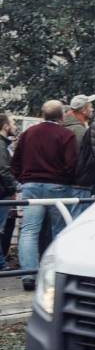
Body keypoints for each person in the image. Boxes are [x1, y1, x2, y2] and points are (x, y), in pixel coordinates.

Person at [11, 100, 78, 289]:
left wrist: (24, 179)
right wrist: (65, 178)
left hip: (31, 185)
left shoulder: (28, 133)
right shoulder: (66, 135)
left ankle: (29, 276)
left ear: (43, 114)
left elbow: (16, 162)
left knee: (29, 231)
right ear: (62, 115)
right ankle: (55, 274)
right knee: (59, 230)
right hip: (57, 186)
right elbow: (71, 164)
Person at [0, 114, 18, 267]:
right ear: (5, 126)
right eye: (12, 123)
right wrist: (14, 187)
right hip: (3, 192)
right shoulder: (1, 145)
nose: (15, 126)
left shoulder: (4, 144)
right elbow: (3, 170)